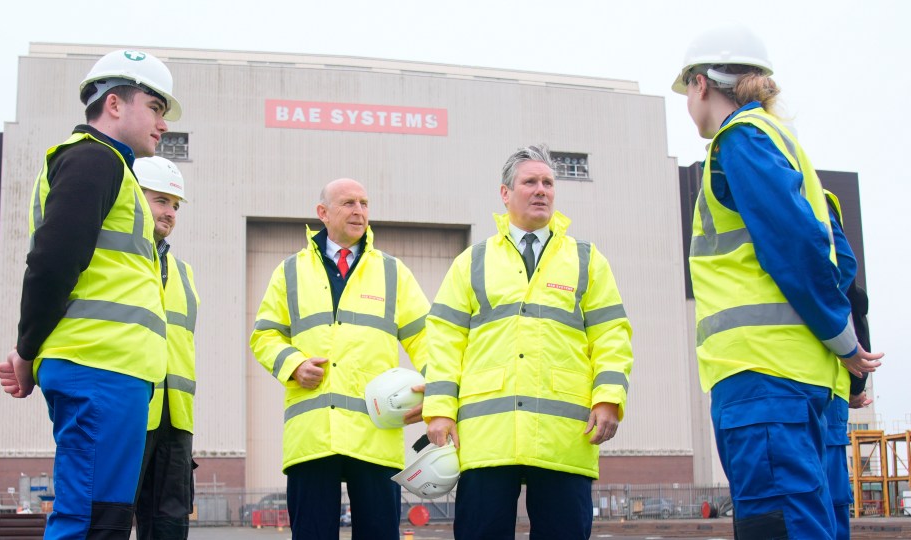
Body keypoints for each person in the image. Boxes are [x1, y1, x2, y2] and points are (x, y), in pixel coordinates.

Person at [674, 26, 883, 539]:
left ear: (701, 84)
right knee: (820, 524)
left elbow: (795, 246)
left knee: (779, 525)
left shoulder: (741, 140)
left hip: (764, 382)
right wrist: (851, 363)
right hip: (816, 385)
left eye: (687, 93)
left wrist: (844, 343)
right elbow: (843, 264)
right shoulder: (789, 149)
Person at [0, 49, 181, 539]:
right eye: (156, 107)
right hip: (97, 368)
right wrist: (27, 349)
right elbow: (53, 262)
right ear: (115, 104)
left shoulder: (113, 170)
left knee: (106, 519)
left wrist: (30, 348)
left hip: (113, 372)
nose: (162, 123)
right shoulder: (93, 160)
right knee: (87, 520)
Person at [423, 144, 635, 540]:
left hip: (564, 435)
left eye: (548, 183)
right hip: (488, 436)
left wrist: (608, 398)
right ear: (505, 194)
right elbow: (444, 340)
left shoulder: (587, 260)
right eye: (530, 182)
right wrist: (439, 410)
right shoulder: (473, 261)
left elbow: (612, 334)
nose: (542, 190)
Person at [249, 178, 430, 540]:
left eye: (364, 203)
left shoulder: (393, 272)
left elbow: (428, 339)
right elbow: (264, 335)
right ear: (323, 213)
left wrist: (436, 393)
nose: (359, 211)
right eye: (348, 203)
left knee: (379, 533)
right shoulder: (290, 272)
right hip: (313, 436)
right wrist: (293, 363)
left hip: (376, 433)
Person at [132, 157, 200, 540]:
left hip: (175, 420)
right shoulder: (113, 257)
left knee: (170, 526)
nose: (170, 212)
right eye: (161, 200)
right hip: (128, 407)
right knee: (107, 516)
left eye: (175, 205)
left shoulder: (183, 271)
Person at [824, 189, 873, 539]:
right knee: (832, 499)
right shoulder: (822, 198)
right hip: (831, 386)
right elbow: (851, 297)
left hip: (789, 379)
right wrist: (857, 384)